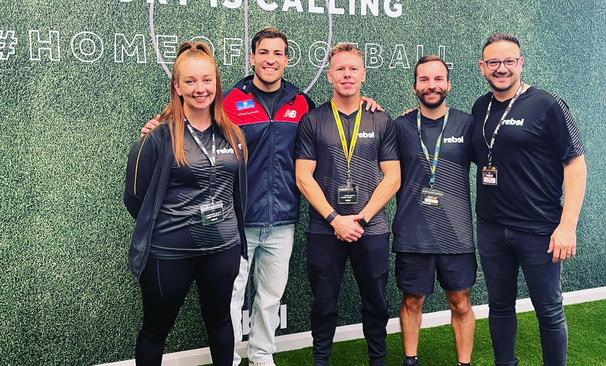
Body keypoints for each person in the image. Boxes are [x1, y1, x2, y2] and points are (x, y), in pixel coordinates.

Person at [139, 28, 381, 366]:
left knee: (269, 297)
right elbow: (192, 113)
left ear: (285, 59)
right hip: (236, 220)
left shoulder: (301, 102)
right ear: (252, 57)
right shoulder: (229, 99)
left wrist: (366, 103)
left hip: (282, 218)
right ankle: (232, 357)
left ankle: (262, 354)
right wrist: (160, 122)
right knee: (232, 297)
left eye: (278, 53)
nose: (270, 59)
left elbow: (335, 117)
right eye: (263, 52)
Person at [123, 41, 248, 366]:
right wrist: (176, 224)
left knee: (220, 323)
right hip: (169, 254)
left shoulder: (233, 135)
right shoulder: (158, 136)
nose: (200, 88)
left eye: (206, 80)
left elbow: (237, 193)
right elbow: (136, 200)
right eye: (190, 81)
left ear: (216, 82)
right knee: (154, 331)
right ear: (177, 86)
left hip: (222, 249)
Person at [471, 33, 587, 366]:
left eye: (509, 61)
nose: (501, 68)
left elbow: (575, 165)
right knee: (500, 306)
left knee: (549, 309)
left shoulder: (548, 104)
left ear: (520, 63)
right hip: (492, 227)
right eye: (493, 62)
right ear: (483, 67)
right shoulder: (481, 106)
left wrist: (567, 226)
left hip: (539, 228)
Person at [295, 43, 401, 366]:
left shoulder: (381, 120)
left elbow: (393, 177)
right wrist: (335, 219)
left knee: (376, 303)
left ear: (363, 75)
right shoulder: (313, 121)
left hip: (372, 229)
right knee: (323, 304)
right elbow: (303, 177)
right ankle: (321, 360)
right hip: (325, 229)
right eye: (340, 69)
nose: (347, 75)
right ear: (329, 75)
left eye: (353, 69)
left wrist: (361, 219)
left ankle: (377, 360)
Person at [392, 55, 476, 366]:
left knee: (461, 303)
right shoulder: (400, 126)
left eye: (438, 79)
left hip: (456, 235)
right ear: (415, 86)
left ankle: (463, 363)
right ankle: (410, 360)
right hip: (413, 233)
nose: (432, 85)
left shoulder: (467, 125)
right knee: (412, 300)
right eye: (424, 79)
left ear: (448, 84)